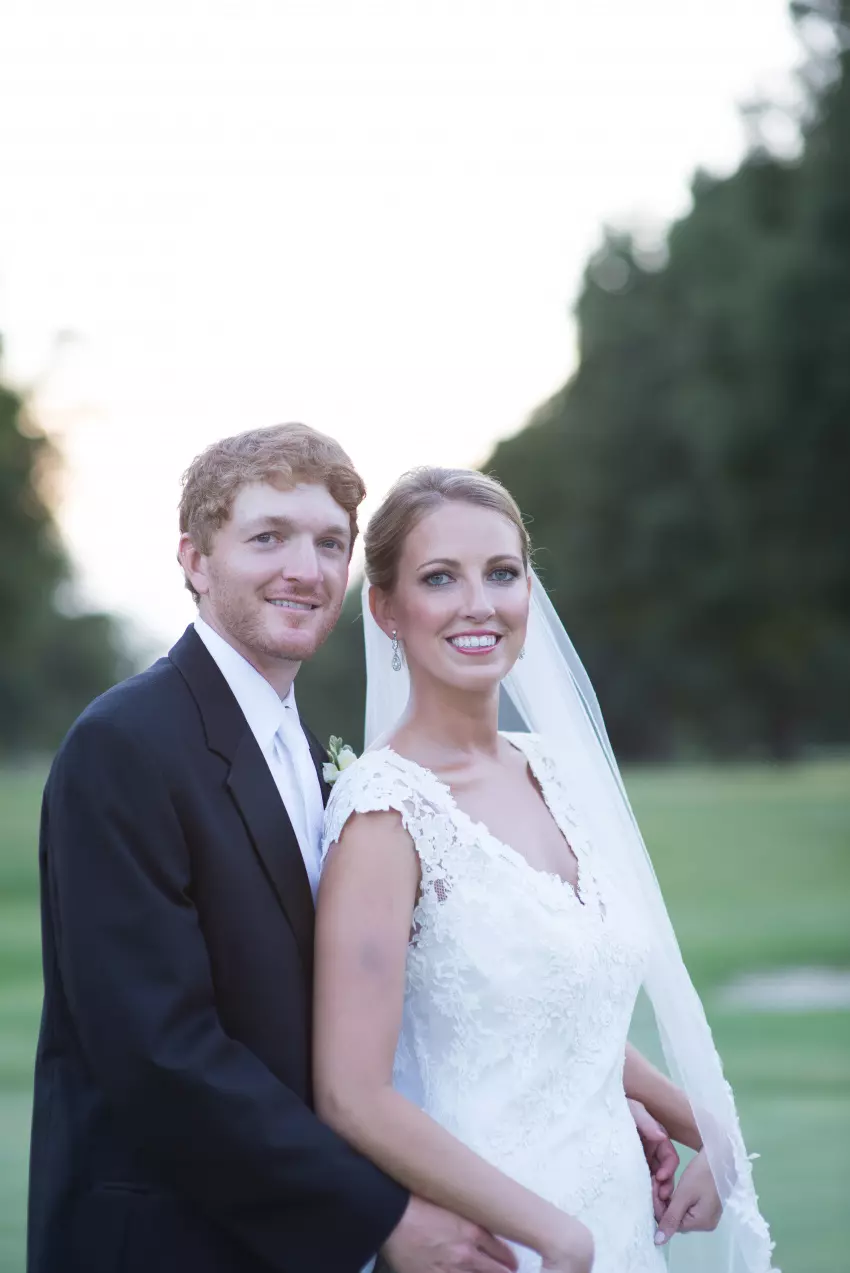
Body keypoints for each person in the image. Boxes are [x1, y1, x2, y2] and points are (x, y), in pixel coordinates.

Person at [27, 426, 677, 1273]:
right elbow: (161, 1054)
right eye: (269, 537)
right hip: (167, 1242)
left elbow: (410, 990)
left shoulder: (309, 755)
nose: (304, 568)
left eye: (329, 543)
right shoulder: (125, 745)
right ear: (195, 560)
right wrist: (379, 1215)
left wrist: (584, 1093)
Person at [313, 467, 777, 1273]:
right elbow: (351, 1094)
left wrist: (709, 1130)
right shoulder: (386, 811)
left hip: (619, 1216)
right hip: (503, 1235)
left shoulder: (554, 771)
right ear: (385, 609)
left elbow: (561, 1006)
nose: (478, 604)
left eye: (502, 573)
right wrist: (554, 1235)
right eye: (439, 578)